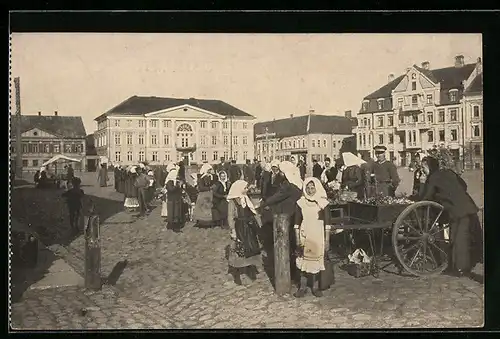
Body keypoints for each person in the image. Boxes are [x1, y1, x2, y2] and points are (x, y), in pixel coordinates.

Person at [420, 156, 481, 278]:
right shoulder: (448, 172)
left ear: (429, 167)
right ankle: (459, 266)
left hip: (458, 210)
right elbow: (463, 185)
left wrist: (423, 184)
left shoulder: (432, 178)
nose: (422, 171)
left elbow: (426, 197)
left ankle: (461, 269)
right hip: (465, 206)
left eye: (423, 168)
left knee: (459, 238)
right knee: (459, 236)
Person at [293, 177, 332, 298]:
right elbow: (296, 223)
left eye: (312, 188)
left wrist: (327, 240)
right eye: (308, 188)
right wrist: (297, 238)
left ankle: (315, 287)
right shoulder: (300, 203)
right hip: (305, 234)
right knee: (303, 261)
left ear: (317, 188)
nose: (310, 191)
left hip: (317, 235)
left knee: (315, 262)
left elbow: (327, 224)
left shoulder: (323, 203)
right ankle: (302, 287)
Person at [226, 180, 263, 285]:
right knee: (240, 248)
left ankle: (250, 267)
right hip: (239, 227)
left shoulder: (247, 199)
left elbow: (253, 212)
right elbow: (230, 216)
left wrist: (258, 224)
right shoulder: (233, 202)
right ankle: (240, 272)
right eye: (245, 188)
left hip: (249, 226)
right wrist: (232, 230)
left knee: (251, 247)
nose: (247, 190)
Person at [165, 167, 187, 233]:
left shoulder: (175, 182)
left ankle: (175, 225)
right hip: (171, 200)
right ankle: (173, 226)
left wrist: (181, 188)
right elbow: (171, 189)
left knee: (177, 212)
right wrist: (178, 186)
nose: (177, 176)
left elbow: (178, 190)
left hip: (177, 199)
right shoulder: (169, 182)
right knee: (172, 212)